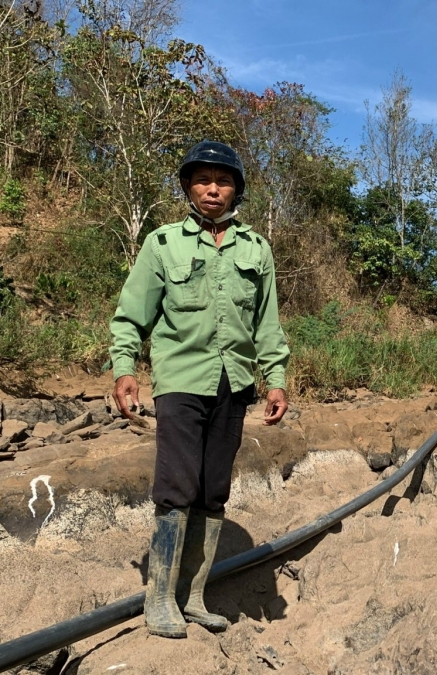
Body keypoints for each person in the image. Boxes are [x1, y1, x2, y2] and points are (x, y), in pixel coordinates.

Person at [109, 140, 290, 638]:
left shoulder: (256, 249)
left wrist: (274, 379)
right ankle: (160, 598)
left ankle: (193, 596)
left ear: (237, 191)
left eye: (224, 181)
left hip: (235, 383)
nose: (214, 189)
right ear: (189, 187)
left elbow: (267, 325)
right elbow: (131, 315)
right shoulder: (163, 244)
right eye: (204, 179)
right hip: (182, 383)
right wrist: (125, 368)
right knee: (177, 487)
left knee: (213, 490)